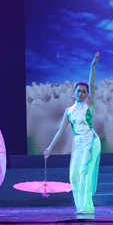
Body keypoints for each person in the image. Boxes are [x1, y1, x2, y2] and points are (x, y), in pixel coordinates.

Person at [44, 52, 100, 214]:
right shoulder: (69, 111)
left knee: (84, 172)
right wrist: (49, 148)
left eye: (83, 91)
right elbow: (60, 131)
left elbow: (91, 82)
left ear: (87, 94)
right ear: (74, 92)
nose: (80, 93)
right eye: (78, 91)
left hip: (91, 141)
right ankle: (80, 207)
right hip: (78, 143)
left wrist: (92, 66)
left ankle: (87, 206)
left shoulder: (89, 105)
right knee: (73, 176)